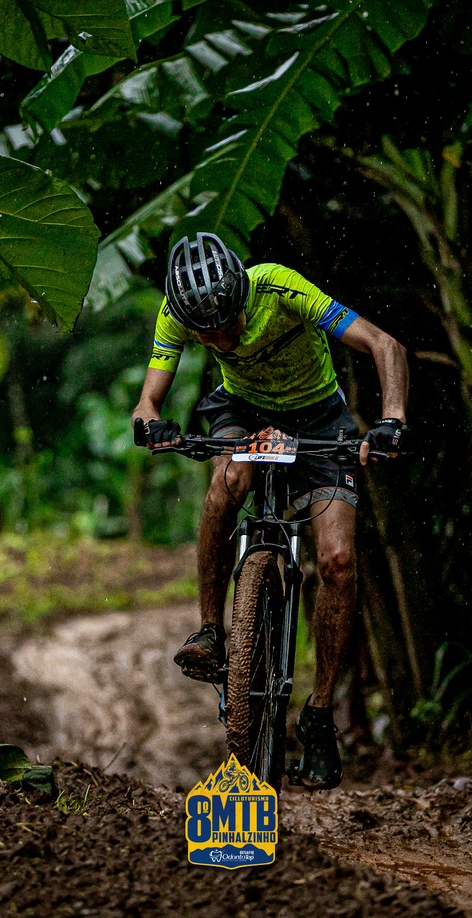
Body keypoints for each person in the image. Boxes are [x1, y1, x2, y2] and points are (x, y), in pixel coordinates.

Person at [130, 232, 409, 789]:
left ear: (242, 294)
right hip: (245, 409)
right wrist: (150, 425)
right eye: (207, 335)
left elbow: (385, 344)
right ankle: (211, 631)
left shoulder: (280, 288)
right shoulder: (177, 312)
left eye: (229, 325)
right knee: (227, 483)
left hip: (319, 416)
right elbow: (147, 402)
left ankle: (319, 714)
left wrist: (392, 419)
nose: (222, 339)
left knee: (337, 561)